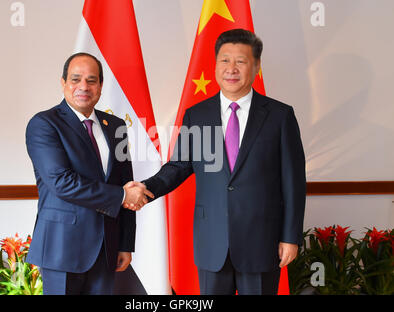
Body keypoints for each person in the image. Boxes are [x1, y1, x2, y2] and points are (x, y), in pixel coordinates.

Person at [127, 29, 306, 295]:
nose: (231, 69)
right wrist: (143, 189)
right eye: (224, 60)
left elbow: (294, 182)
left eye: (241, 61)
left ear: (256, 67)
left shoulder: (280, 116)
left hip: (261, 242)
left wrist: (290, 237)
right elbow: (178, 167)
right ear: (215, 65)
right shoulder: (196, 115)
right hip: (212, 243)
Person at [25, 52, 152, 295]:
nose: (84, 86)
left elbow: (125, 181)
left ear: (101, 86)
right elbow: (61, 182)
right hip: (61, 249)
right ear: (63, 83)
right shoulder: (44, 124)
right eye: (75, 79)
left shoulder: (116, 127)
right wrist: (122, 197)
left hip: (106, 248)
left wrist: (125, 243)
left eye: (92, 80)